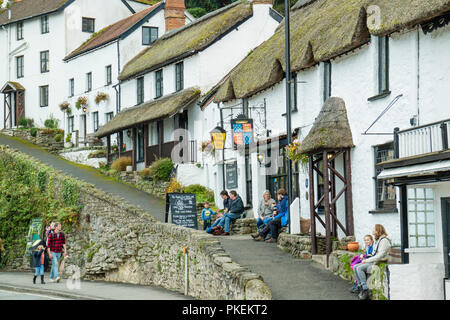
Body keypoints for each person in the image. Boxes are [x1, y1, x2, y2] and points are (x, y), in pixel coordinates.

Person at [353, 224, 391, 300]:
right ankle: (360, 286)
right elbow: (374, 253)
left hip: (379, 262)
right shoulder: (379, 240)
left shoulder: (384, 241)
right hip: (375, 261)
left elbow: (379, 256)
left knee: (359, 268)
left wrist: (367, 260)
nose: (372, 231)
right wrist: (366, 257)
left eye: (374, 230)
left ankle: (365, 289)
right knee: (355, 266)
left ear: (378, 231)